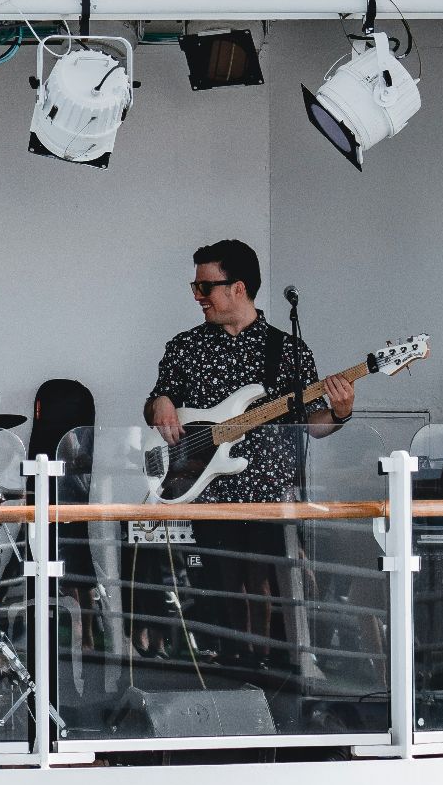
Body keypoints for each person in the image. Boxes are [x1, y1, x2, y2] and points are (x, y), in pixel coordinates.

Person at [142, 239, 354, 671]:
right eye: (195, 286)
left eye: (205, 286)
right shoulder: (185, 348)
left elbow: (313, 426)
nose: (198, 296)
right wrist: (159, 402)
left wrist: (341, 412)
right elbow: (156, 406)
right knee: (220, 593)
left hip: (270, 497)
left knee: (270, 590)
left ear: (238, 287)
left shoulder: (288, 350)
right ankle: (229, 671)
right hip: (207, 493)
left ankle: (276, 674)